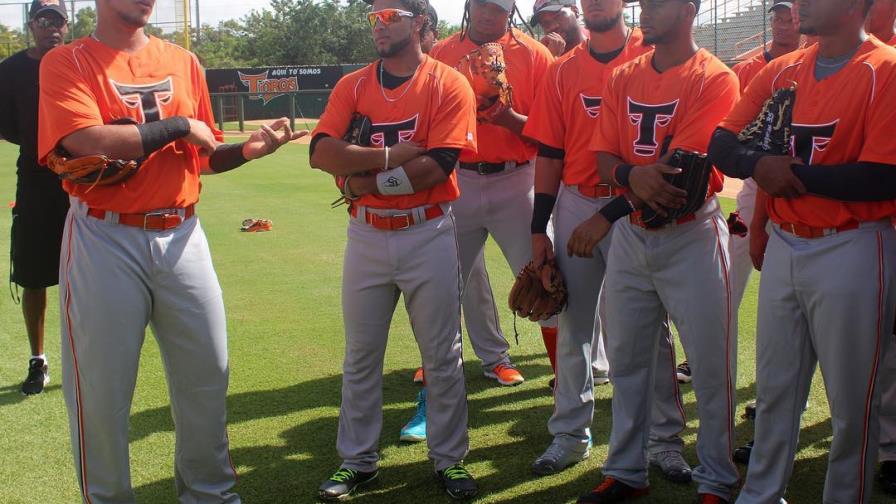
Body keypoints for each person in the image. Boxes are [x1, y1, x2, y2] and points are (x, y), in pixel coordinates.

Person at [36, 0, 304, 501]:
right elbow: (85, 139)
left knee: (208, 374)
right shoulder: (68, 61)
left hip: (183, 233)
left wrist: (249, 150)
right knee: (102, 391)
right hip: (104, 233)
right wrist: (179, 125)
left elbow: (203, 157)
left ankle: (211, 495)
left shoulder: (183, 61)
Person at [707, 0, 896, 497]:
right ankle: (761, 495)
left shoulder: (886, 70)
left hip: (854, 244)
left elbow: (882, 177)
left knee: (853, 405)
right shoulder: (782, 70)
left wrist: (782, 174)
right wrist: (758, 167)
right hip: (788, 244)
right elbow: (721, 143)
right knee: (774, 392)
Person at [309, 0, 479, 500]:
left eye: (391, 15)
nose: (380, 25)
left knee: (441, 354)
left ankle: (449, 460)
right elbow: (321, 152)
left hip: (426, 230)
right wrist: (386, 157)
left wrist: (363, 181)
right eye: (374, 17)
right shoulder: (354, 85)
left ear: (421, 22)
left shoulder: (447, 82)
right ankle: (357, 461)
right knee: (361, 355)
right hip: (366, 235)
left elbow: (437, 165)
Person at [571, 0, 741, 500]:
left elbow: (681, 177)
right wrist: (629, 176)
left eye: (659, 4)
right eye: (643, 3)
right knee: (627, 360)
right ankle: (626, 470)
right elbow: (602, 160)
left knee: (710, 365)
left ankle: (718, 478)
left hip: (691, 232)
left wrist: (609, 209)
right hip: (632, 237)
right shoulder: (623, 76)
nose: (645, 11)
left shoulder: (714, 77)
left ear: (688, 10)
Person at [523, 0, 691, 482]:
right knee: (575, 326)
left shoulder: (651, 54)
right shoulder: (561, 72)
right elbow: (550, 153)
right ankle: (569, 435)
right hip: (577, 201)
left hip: (636, 207)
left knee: (648, 331)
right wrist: (540, 227)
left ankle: (663, 440)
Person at [430, 0, 556, 388]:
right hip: (459, 179)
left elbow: (550, 134)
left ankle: (566, 376)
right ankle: (457, 369)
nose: (489, 13)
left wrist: (505, 117)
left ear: (511, 9)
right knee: (444, 286)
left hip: (517, 180)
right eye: (482, 4)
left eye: (498, 6)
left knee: (547, 279)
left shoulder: (536, 56)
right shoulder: (442, 53)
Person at [0, 0, 69, 396]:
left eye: (58, 21)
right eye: (44, 21)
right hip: (36, 180)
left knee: (89, 274)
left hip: (82, 179)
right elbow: (8, 126)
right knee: (33, 275)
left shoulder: (80, 62)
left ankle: (86, 356)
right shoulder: (10, 72)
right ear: (31, 25)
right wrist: (42, 148)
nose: (52, 28)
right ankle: (38, 359)